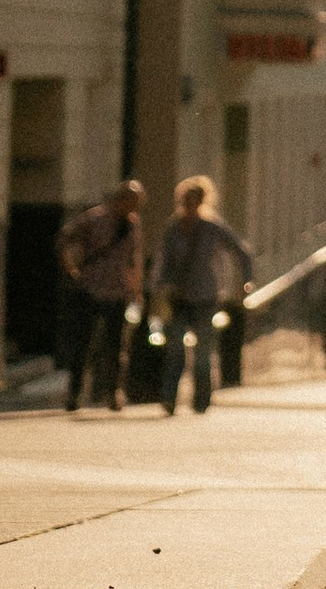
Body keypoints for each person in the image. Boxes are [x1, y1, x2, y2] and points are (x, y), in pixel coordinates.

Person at [151, 175, 253, 422]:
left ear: (202, 202)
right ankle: (169, 397)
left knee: (203, 351)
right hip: (178, 296)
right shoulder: (174, 229)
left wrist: (245, 280)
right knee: (175, 348)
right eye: (185, 201)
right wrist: (159, 286)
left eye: (194, 201)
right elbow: (164, 260)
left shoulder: (212, 228)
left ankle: (202, 399)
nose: (189, 206)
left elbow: (240, 250)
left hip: (205, 295)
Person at [57, 182, 143, 413]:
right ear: (120, 199)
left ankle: (113, 392)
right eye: (131, 202)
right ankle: (74, 394)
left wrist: (136, 290)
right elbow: (64, 238)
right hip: (90, 289)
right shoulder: (94, 219)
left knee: (116, 346)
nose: (134, 207)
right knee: (83, 345)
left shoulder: (132, 224)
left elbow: (133, 259)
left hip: (118, 292)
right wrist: (72, 269)